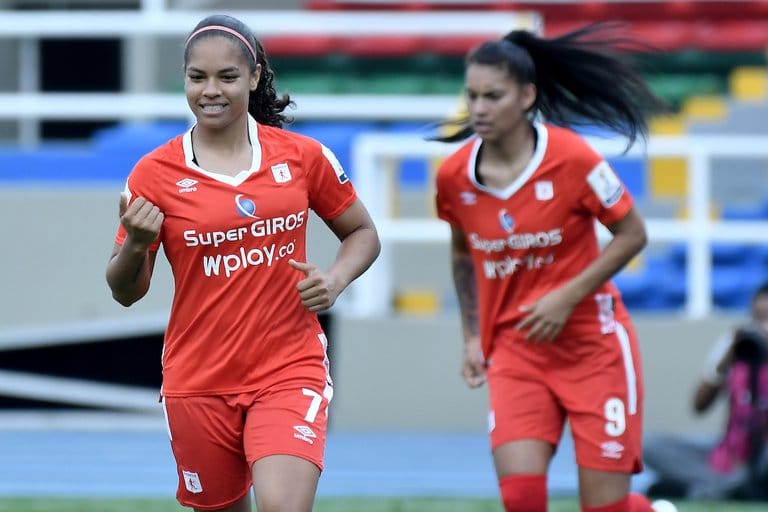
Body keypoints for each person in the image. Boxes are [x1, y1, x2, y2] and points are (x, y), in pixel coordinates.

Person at [105, 14, 380, 512]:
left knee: (283, 506)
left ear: (253, 78)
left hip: (288, 368)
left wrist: (335, 280)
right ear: (184, 80)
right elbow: (126, 290)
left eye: (227, 77)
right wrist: (135, 244)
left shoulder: (302, 156)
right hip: (198, 380)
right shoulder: (153, 173)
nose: (211, 90)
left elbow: (362, 233)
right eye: (197, 78)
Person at [433, 24, 674, 512]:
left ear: (526, 96)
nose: (478, 109)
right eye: (472, 96)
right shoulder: (454, 176)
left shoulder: (572, 158)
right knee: (521, 499)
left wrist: (566, 296)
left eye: (492, 96)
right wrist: (471, 337)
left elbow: (634, 234)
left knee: (603, 507)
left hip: (594, 347)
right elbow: (462, 254)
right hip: (516, 353)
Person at [644, 284, 768, 501]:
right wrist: (728, 357)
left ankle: (698, 490)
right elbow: (698, 406)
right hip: (726, 458)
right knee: (651, 445)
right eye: (758, 318)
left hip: (763, 457)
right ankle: (730, 488)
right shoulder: (736, 347)